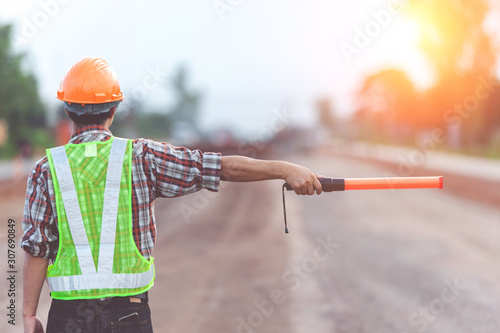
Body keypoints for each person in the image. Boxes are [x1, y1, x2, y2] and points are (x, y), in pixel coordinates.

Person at [21, 56, 322, 333]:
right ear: (114, 110)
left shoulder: (46, 170)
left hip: (68, 319)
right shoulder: (141, 156)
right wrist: (284, 168)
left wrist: (28, 314)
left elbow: (37, 248)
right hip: (129, 316)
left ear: (67, 109)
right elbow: (220, 168)